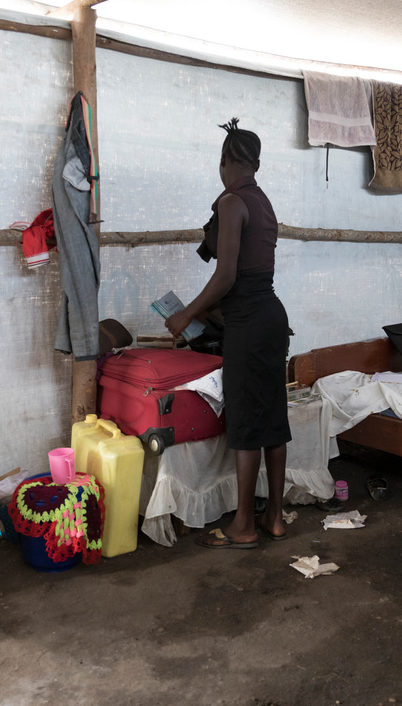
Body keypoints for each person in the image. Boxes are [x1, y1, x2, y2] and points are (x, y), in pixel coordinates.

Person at [165, 118, 292, 549]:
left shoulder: (232, 202)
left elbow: (226, 275)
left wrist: (186, 315)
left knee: (244, 421)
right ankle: (273, 516)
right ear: (255, 163)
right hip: (271, 318)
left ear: (225, 162)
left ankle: (242, 524)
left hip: (249, 325)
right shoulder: (263, 201)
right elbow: (250, 277)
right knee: (273, 418)